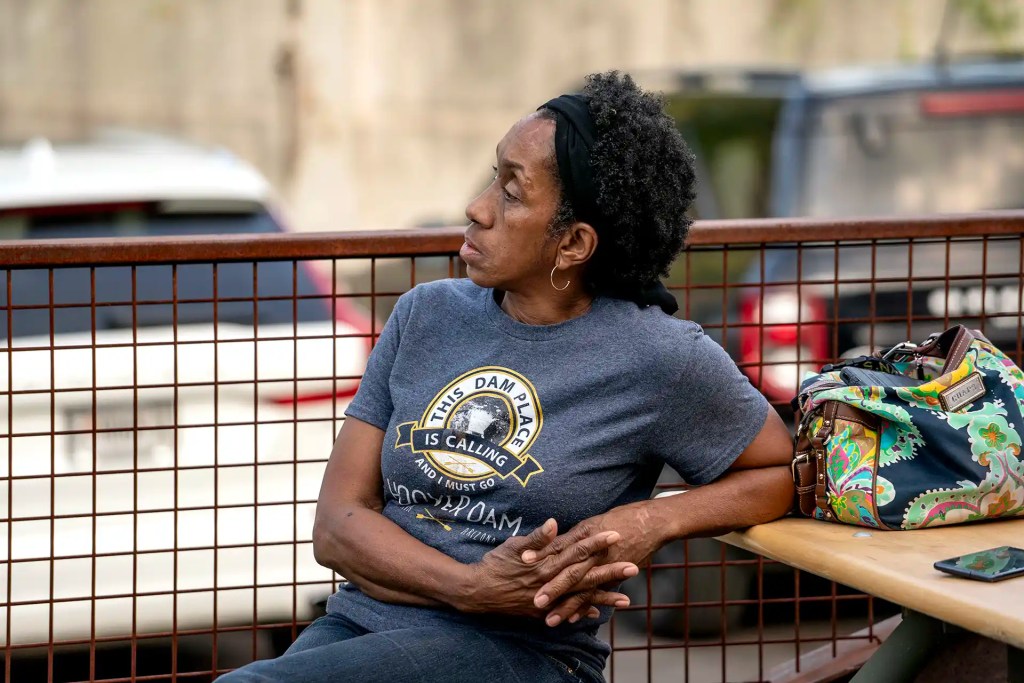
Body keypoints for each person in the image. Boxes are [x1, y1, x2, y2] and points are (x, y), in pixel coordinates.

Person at [219, 71, 794, 683]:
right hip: (362, 625)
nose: (478, 206)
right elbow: (337, 525)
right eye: (495, 175)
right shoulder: (424, 314)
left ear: (572, 243)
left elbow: (777, 470)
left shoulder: (660, 355)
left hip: (523, 656)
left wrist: (650, 520)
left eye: (512, 193)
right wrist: (471, 587)